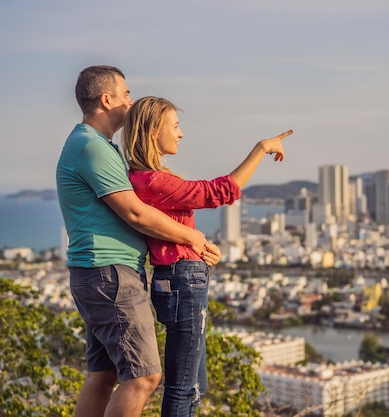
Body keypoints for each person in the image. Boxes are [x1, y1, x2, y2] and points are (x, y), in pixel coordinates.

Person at [56, 66, 221, 417]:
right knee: (145, 375)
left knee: (103, 375)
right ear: (106, 99)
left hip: (95, 272)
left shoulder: (95, 145)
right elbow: (135, 213)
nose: (131, 100)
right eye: (126, 93)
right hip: (110, 274)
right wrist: (193, 237)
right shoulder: (92, 148)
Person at [120, 95, 293, 417]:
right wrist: (260, 149)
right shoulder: (152, 181)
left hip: (180, 275)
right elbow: (220, 192)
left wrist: (196, 248)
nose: (181, 133)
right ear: (152, 131)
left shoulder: (145, 179)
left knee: (196, 384)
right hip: (181, 280)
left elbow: (166, 230)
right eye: (174, 125)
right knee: (184, 388)